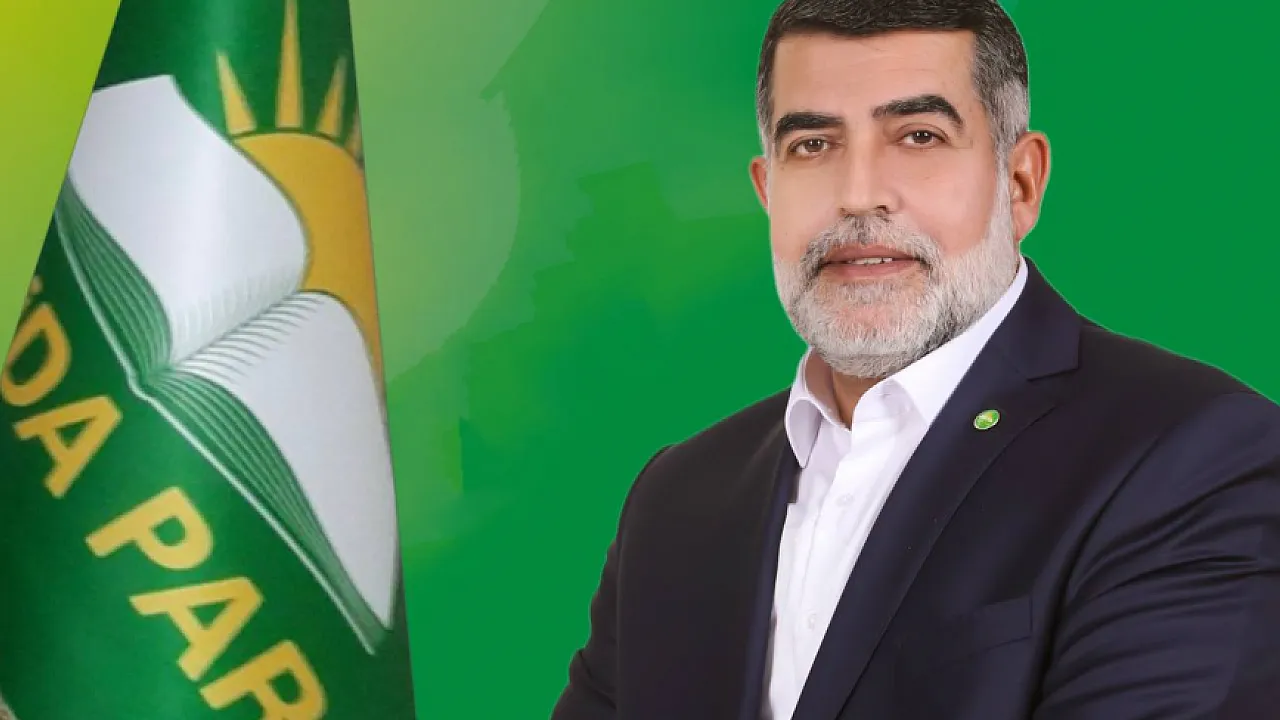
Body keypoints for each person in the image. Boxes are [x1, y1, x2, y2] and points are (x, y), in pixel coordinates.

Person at [551, 0, 1280, 718]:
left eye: (919, 136)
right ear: (767, 189)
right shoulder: (677, 500)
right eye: (813, 144)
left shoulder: (1194, 457)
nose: (858, 194)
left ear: (1020, 183)